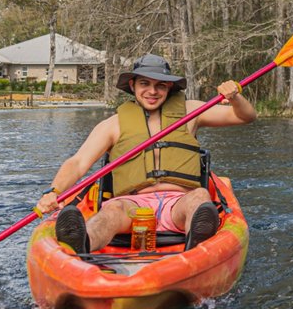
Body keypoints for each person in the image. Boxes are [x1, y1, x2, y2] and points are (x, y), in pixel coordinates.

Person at [35, 54, 258, 254]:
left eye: (160, 85)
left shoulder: (192, 111)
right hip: (132, 206)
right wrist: (54, 191)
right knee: (111, 210)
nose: (152, 91)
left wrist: (235, 97)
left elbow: (245, 117)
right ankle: (82, 243)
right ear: (132, 85)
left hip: (179, 203)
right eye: (145, 84)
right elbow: (78, 162)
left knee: (200, 198)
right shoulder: (113, 125)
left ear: (169, 88)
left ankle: (196, 251)